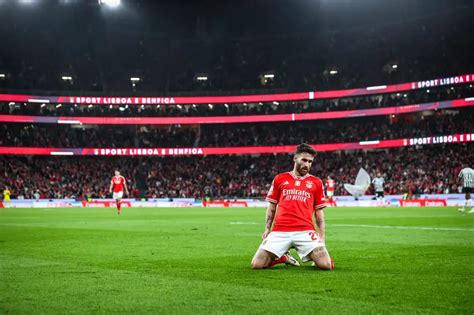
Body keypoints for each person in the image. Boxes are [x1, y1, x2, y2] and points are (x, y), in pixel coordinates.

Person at [251, 143, 334, 270]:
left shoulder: (316, 182)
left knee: (326, 265)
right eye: (304, 160)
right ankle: (282, 257)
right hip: (280, 231)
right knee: (256, 264)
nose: (307, 164)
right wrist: (267, 229)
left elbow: (319, 213)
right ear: (295, 159)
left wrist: (322, 238)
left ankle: (317, 255)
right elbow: (272, 207)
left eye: (310, 162)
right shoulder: (280, 178)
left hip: (305, 230)